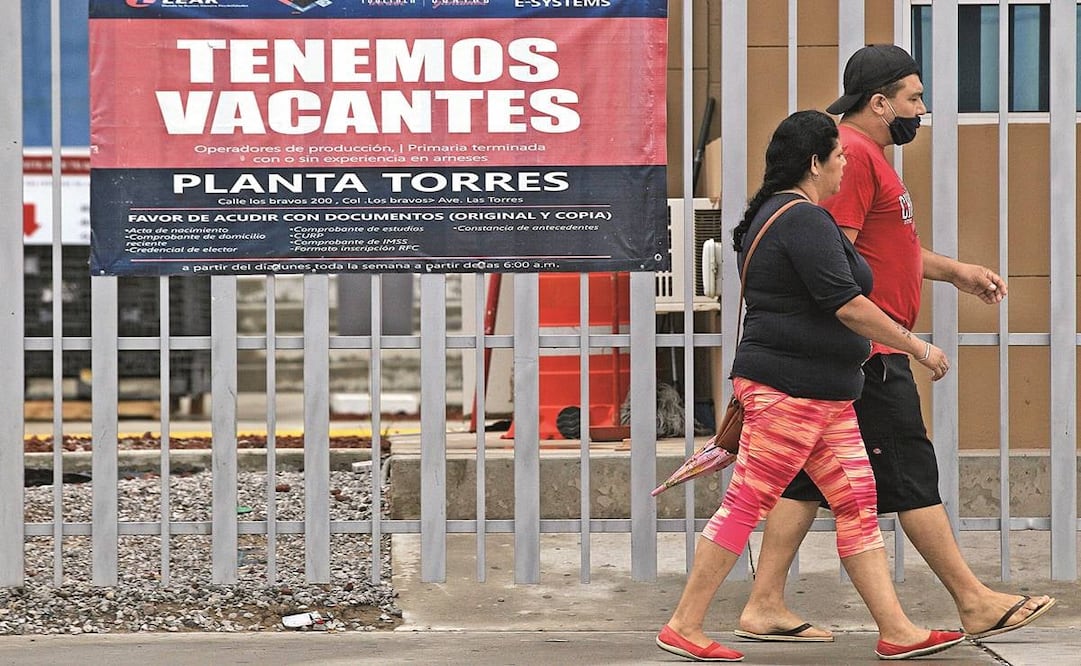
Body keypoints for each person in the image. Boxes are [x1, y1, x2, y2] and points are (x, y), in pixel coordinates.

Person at [736, 44, 1056, 645]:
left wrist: (953, 271)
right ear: (879, 102)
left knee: (807, 479)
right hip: (873, 353)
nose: (922, 108)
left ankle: (764, 603)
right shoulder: (852, 155)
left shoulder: (867, 156)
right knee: (910, 469)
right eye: (913, 98)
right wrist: (903, 342)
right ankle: (973, 600)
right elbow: (836, 259)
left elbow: (889, 247)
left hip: (861, 352)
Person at [656, 109, 966, 662]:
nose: (847, 161)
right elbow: (847, 305)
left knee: (857, 501)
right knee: (748, 499)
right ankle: (684, 623)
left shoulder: (790, 214)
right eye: (838, 154)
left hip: (824, 394)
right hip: (791, 392)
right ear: (814, 162)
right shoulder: (803, 221)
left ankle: (897, 630)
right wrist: (918, 347)